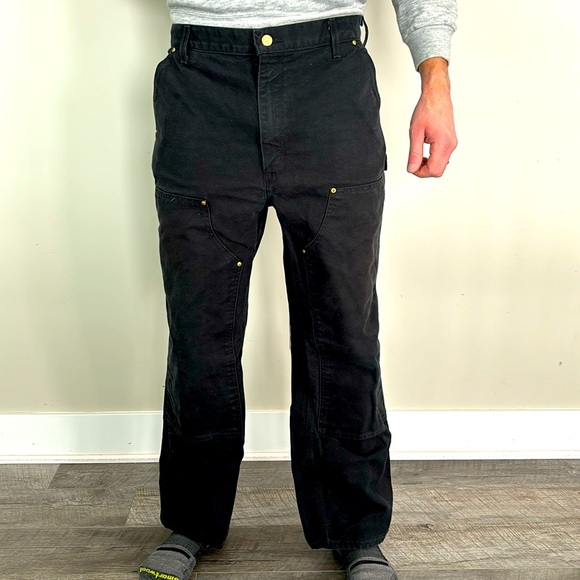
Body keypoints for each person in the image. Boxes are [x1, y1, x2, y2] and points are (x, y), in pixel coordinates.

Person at [140, 1, 458, 579]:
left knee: (342, 326)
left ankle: (355, 528)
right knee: (199, 326)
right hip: (202, 75)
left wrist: (435, 79)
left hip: (329, 76)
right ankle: (191, 520)